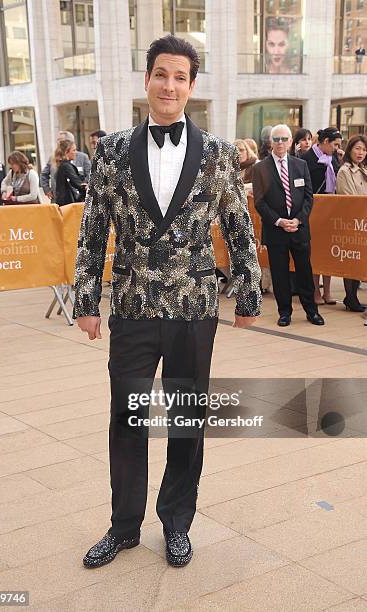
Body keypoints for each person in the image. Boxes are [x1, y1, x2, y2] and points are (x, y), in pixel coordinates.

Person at [74, 34, 261, 570]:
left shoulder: (221, 155)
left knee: (185, 420)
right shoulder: (110, 150)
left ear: (192, 86)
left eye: (180, 76)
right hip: (131, 309)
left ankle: (177, 523)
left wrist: (247, 291)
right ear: (147, 79)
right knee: (127, 419)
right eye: (161, 74)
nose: (169, 85)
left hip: (193, 312)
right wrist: (87, 299)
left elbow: (238, 227)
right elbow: (92, 233)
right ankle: (123, 527)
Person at [252, 123, 324, 327]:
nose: (280, 143)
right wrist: (279, 221)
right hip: (276, 230)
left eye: (284, 139)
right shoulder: (260, 168)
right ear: (270, 142)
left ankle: (312, 311)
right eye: (276, 139)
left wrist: (298, 219)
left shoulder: (300, 165)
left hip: (299, 229)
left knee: (304, 272)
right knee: (280, 274)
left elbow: (309, 197)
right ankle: (284, 312)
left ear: (291, 141)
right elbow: (259, 202)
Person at [302, 127, 343, 305]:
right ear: (325, 142)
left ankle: (327, 290)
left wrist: (338, 160)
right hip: (313, 210)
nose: (337, 148)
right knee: (315, 252)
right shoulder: (307, 158)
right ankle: (315, 291)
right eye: (335, 144)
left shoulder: (333, 158)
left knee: (329, 251)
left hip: (332, 209)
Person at [336, 134, 367, 312]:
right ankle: (350, 296)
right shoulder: (345, 171)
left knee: (360, 259)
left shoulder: (363, 169)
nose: (360, 152)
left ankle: (353, 296)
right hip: (351, 222)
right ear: (350, 150)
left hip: (363, 222)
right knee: (351, 259)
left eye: (363, 149)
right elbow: (348, 198)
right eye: (357, 148)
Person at [40, 131, 91, 201]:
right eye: (58, 141)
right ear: (67, 150)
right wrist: (47, 190)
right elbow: (76, 181)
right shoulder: (63, 164)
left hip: (74, 198)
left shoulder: (82, 157)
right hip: (66, 200)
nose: (58, 143)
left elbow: (88, 174)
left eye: (61, 141)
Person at [54, 139, 87, 205]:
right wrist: (87, 186)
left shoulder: (64, 165)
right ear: (66, 152)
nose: (76, 152)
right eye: (74, 150)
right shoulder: (66, 166)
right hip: (66, 204)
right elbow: (77, 182)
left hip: (63, 202)